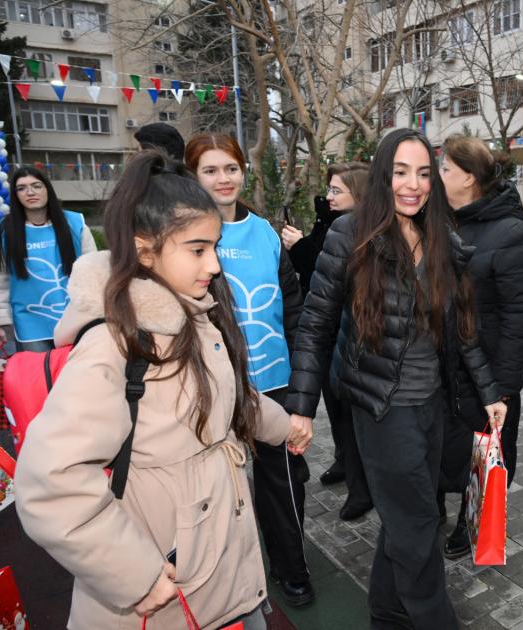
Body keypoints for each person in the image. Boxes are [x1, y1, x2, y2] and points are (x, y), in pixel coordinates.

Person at [14, 151, 300, 629]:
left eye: (215, 246)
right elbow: (50, 482)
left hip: (217, 572)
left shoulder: (192, 316)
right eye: (197, 249)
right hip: (165, 588)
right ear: (146, 250)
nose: (213, 262)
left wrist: (283, 426)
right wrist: (137, 576)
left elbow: (226, 397)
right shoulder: (113, 343)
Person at [284, 128, 508, 629]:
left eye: (425, 173)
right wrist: (301, 406)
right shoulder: (350, 234)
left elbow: (463, 327)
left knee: (409, 518)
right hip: (381, 408)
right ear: (383, 176)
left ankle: (386, 614)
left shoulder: (440, 236)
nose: (414, 185)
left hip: (432, 406)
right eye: (401, 172)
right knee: (419, 526)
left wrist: (490, 392)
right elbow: (316, 323)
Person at [185, 133, 314, 607]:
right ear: (192, 176)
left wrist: (302, 387)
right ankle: (231, 576)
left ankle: (291, 568)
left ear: (245, 171)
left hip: (275, 385)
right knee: (221, 489)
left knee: (284, 484)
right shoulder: (185, 235)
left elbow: (295, 309)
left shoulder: (264, 231)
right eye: (211, 170)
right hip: (216, 389)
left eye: (232, 168)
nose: (224, 179)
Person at [436, 134, 523, 559]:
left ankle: (470, 520)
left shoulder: (512, 233)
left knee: (485, 451)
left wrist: (504, 388)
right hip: (445, 363)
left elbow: (521, 317)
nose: (436, 176)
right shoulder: (439, 221)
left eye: (443, 169)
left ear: (469, 178)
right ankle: (438, 512)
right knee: (445, 448)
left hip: (489, 371)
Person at [282, 162, 374, 521]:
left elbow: (326, 267)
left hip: (348, 338)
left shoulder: (361, 229)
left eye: (337, 191)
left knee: (350, 417)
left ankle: (361, 486)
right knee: (336, 413)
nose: (329, 197)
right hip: (327, 334)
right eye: (329, 190)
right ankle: (344, 463)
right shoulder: (334, 221)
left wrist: (302, 244)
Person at [0, 167, 97, 352]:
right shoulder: (4, 230)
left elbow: (94, 272)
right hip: (30, 323)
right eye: (21, 188)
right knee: (39, 380)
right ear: (15, 195)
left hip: (75, 319)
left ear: (47, 189)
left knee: (78, 378)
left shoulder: (75, 223)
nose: (30, 192)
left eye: (36, 186)